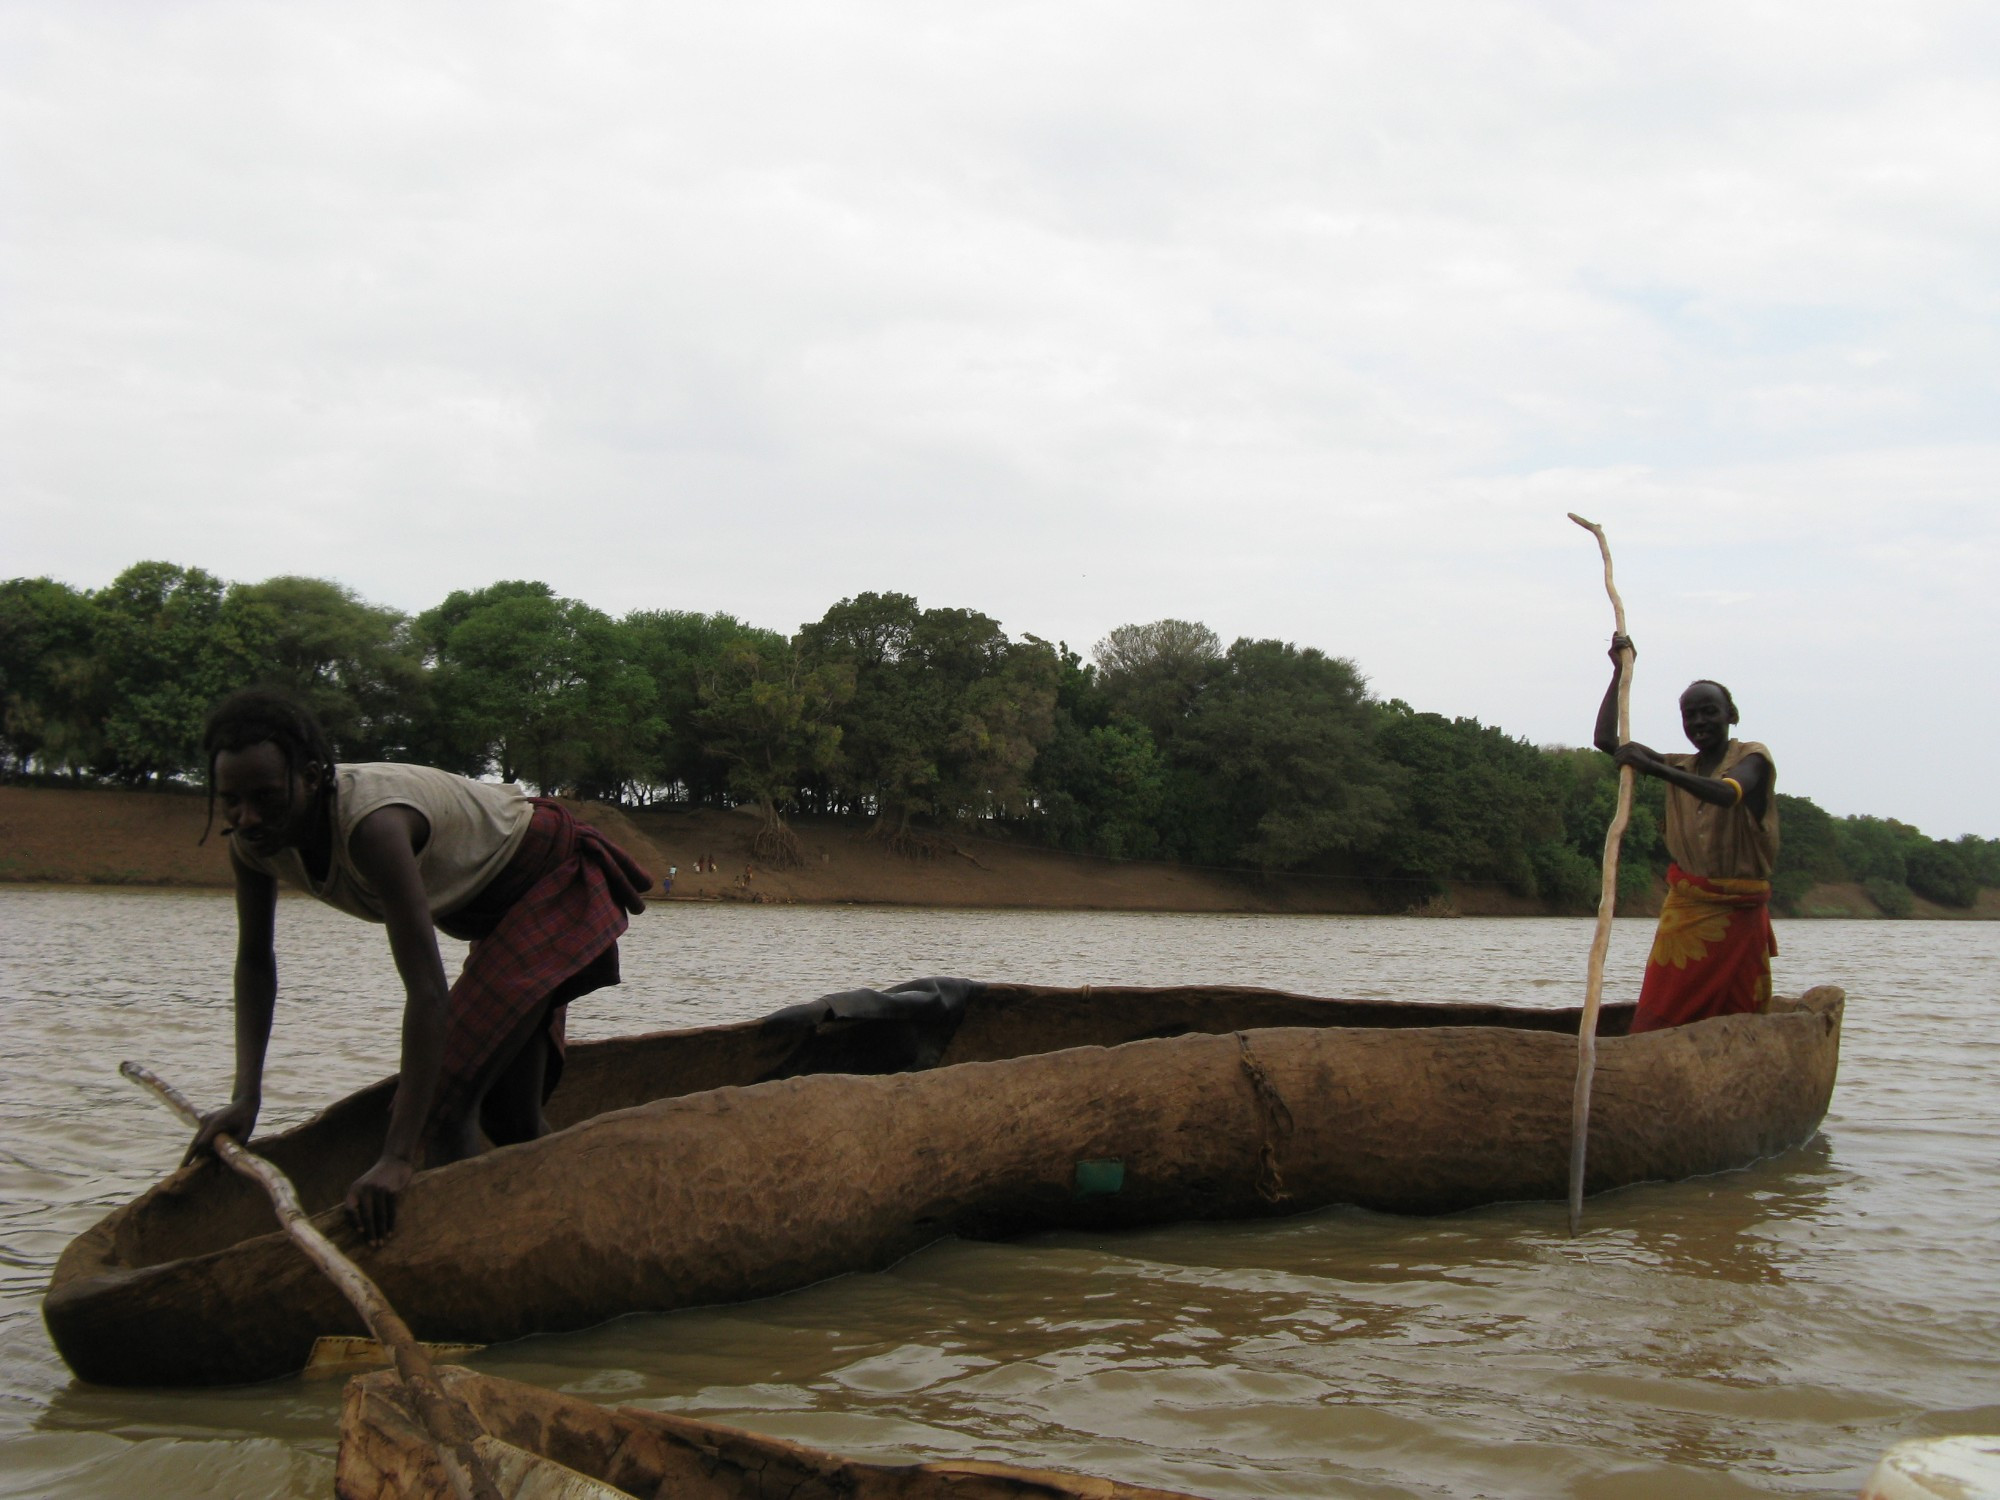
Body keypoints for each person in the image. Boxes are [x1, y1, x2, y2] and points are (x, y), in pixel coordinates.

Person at [183, 688, 652, 1243]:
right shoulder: (253, 844)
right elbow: (256, 963)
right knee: (510, 1119)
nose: (247, 816)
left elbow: (428, 991)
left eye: (265, 796)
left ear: (310, 777)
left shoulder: (372, 828)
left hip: (551, 881)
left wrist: (399, 1157)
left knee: (447, 1107)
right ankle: (578, 1230)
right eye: (230, 801)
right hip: (495, 917)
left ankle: (475, 1253)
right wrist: (246, 1097)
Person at [1595, 633, 1780, 1033]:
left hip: (1737, 917)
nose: (1699, 723)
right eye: (1690, 715)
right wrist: (1620, 673)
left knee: (1736, 1020)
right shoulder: (1682, 766)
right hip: (1687, 914)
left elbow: (1727, 794)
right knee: (1662, 1011)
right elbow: (1607, 741)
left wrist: (1656, 769)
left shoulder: (1753, 758)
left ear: (1731, 715)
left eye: (1709, 712)